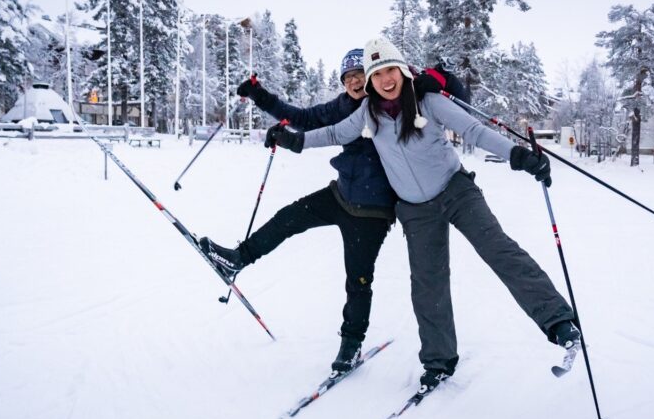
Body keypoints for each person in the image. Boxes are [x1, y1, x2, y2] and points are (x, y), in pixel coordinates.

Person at [266, 38, 580, 394]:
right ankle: (439, 362)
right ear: (369, 82)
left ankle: (558, 322)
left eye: (389, 70)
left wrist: (518, 156)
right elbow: (335, 133)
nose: (385, 79)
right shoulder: (367, 113)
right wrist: (294, 140)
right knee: (427, 283)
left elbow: (473, 131)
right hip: (414, 209)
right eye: (376, 74)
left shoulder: (427, 101)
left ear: (401, 69)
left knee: (497, 249)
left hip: (455, 191)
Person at [198, 48, 468, 377]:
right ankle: (237, 259)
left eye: (359, 75)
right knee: (288, 218)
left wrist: (441, 78)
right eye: (348, 77)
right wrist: (260, 96)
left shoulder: (389, 106)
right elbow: (300, 118)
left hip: (373, 213)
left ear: (371, 77)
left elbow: (453, 97)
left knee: (357, 280)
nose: (354, 81)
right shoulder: (341, 107)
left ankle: (351, 344)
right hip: (340, 195)